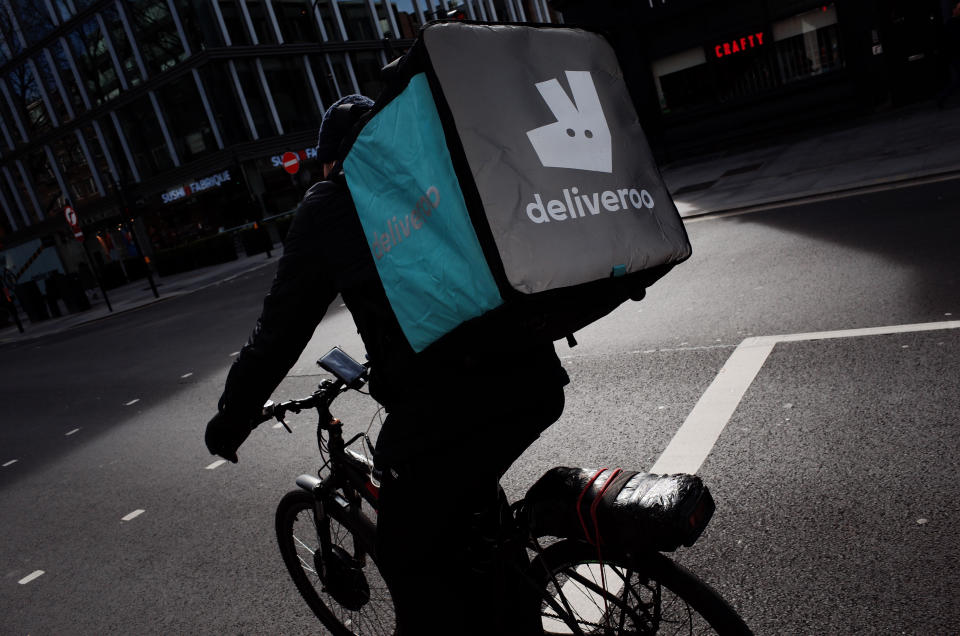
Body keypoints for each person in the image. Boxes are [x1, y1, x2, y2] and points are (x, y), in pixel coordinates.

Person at [205, 94, 568, 634]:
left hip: (445, 407)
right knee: (470, 519)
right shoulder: (436, 171)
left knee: (405, 557)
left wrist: (231, 420)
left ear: (330, 161)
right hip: (535, 376)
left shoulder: (330, 203)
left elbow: (278, 332)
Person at [939, 1, 960, 108]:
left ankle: (943, 97)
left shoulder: (953, 23)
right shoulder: (952, 23)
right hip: (956, 55)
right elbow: (953, 41)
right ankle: (943, 97)